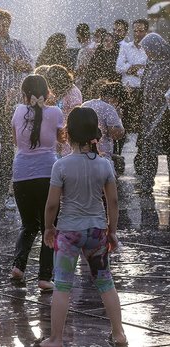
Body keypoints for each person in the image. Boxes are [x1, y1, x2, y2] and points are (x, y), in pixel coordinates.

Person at [40, 107, 127, 347]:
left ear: (68, 133)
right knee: (106, 283)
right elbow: (113, 202)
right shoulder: (104, 165)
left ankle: (56, 339)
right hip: (97, 232)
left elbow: (52, 204)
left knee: (63, 286)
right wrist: (112, 231)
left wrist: (49, 228)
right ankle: (118, 334)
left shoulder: (62, 166)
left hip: (69, 234)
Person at [9, 75, 64, 291]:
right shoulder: (56, 112)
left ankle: (18, 267)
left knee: (28, 225)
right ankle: (44, 277)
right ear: (47, 92)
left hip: (21, 174)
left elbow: (15, 141)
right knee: (49, 227)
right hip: (48, 174)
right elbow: (61, 139)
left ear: (24, 94)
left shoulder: (18, 111)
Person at [0, 9, 34, 207]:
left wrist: (8, 59)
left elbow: (30, 66)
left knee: (8, 146)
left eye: (3, 26)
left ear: (8, 26)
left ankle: (4, 187)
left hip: (10, 103)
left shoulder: (17, 44)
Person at [137, 33, 170, 196]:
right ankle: (146, 184)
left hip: (166, 114)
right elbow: (145, 84)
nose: (147, 52)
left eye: (148, 49)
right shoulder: (151, 63)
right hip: (150, 113)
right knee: (148, 149)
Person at [115, 18, 149, 161]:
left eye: (141, 30)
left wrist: (133, 69)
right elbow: (118, 67)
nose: (138, 34)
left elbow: (149, 70)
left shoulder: (149, 48)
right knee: (124, 123)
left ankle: (140, 156)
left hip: (143, 90)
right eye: (135, 30)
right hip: (127, 90)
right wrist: (134, 68)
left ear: (146, 31)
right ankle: (118, 156)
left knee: (142, 124)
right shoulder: (126, 47)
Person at [82, 82, 126, 170]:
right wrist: (119, 119)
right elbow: (116, 134)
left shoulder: (85, 104)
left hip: (83, 154)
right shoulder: (109, 109)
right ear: (116, 99)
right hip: (102, 156)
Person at [82, 32, 121, 100]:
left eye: (111, 41)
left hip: (111, 88)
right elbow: (90, 73)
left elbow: (117, 73)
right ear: (102, 42)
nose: (108, 43)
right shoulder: (97, 55)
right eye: (106, 41)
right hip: (96, 87)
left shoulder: (117, 56)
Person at [74, 23, 96, 90]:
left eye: (78, 36)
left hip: (85, 82)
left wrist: (77, 72)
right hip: (85, 81)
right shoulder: (86, 47)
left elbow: (82, 68)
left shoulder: (89, 48)